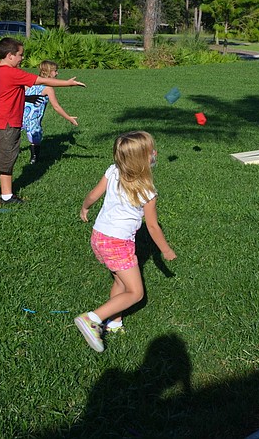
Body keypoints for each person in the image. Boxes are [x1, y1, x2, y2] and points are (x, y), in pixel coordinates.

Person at [76, 131, 177, 352]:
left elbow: (94, 194)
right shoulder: (147, 192)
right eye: (151, 151)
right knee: (136, 293)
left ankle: (114, 322)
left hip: (99, 237)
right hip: (117, 244)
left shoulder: (113, 171)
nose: (155, 153)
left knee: (121, 282)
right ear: (142, 159)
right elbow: (152, 226)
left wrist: (85, 207)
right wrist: (166, 250)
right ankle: (92, 318)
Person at [0, 38, 86, 211]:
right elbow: (42, 81)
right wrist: (68, 83)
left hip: (6, 122)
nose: (22, 58)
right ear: (10, 55)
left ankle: (6, 196)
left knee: (7, 159)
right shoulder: (12, 73)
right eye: (20, 55)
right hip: (5, 124)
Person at [23, 60, 79, 164]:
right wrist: (69, 118)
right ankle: (34, 159)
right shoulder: (48, 88)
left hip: (21, 115)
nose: (57, 73)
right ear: (48, 72)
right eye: (55, 71)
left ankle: (11, 153)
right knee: (35, 137)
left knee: (15, 135)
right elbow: (56, 107)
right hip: (34, 117)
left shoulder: (29, 83)